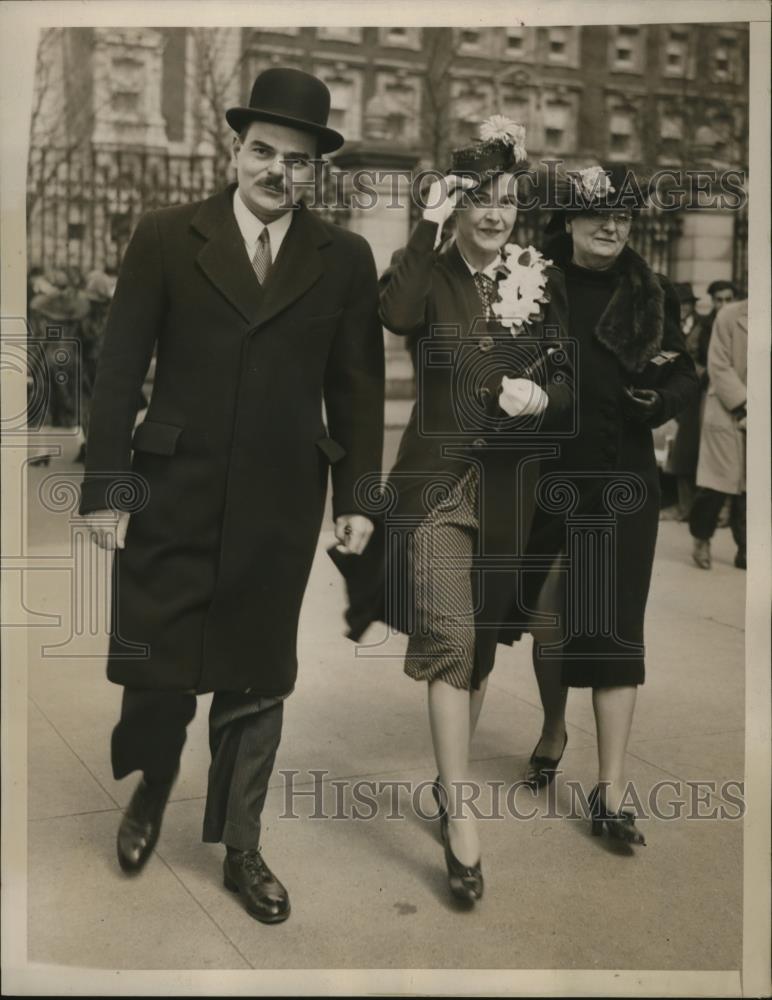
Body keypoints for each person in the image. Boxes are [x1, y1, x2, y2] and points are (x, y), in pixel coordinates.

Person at [78, 67, 385, 923]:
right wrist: (108, 488)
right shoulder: (166, 236)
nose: (276, 170)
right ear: (235, 150)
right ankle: (148, 791)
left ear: (316, 168)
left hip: (281, 498)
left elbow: (358, 387)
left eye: (296, 158)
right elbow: (116, 372)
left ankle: (243, 847)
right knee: (158, 658)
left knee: (257, 672)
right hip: (173, 487)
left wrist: (358, 496)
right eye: (262, 151)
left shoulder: (345, 258)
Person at [334, 117, 573, 904]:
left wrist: (542, 394)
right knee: (450, 635)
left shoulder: (537, 275)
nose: (495, 214)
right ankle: (462, 816)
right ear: (456, 205)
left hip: (510, 491)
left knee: (480, 651)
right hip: (436, 484)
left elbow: (568, 379)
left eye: (506, 200)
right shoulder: (428, 271)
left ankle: (448, 782)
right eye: (478, 200)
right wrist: (424, 227)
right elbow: (394, 314)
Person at [520, 164, 698, 846]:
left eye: (622, 215)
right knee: (545, 619)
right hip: (542, 475)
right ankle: (552, 725)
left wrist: (659, 401)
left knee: (614, 627)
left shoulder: (650, 293)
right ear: (567, 221)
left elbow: (684, 371)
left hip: (621, 481)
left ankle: (611, 790)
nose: (612, 226)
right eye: (597, 214)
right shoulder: (530, 282)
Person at [689, 299, 747, 570]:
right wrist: (745, 403)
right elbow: (718, 364)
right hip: (728, 408)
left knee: (752, 490)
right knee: (716, 484)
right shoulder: (730, 315)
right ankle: (701, 538)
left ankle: (747, 548)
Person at [662, 282, 701, 520]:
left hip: (695, 397)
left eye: (685, 304)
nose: (682, 308)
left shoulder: (703, 326)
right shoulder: (671, 324)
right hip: (673, 393)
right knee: (672, 451)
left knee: (687, 452)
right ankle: (678, 503)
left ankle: (687, 507)